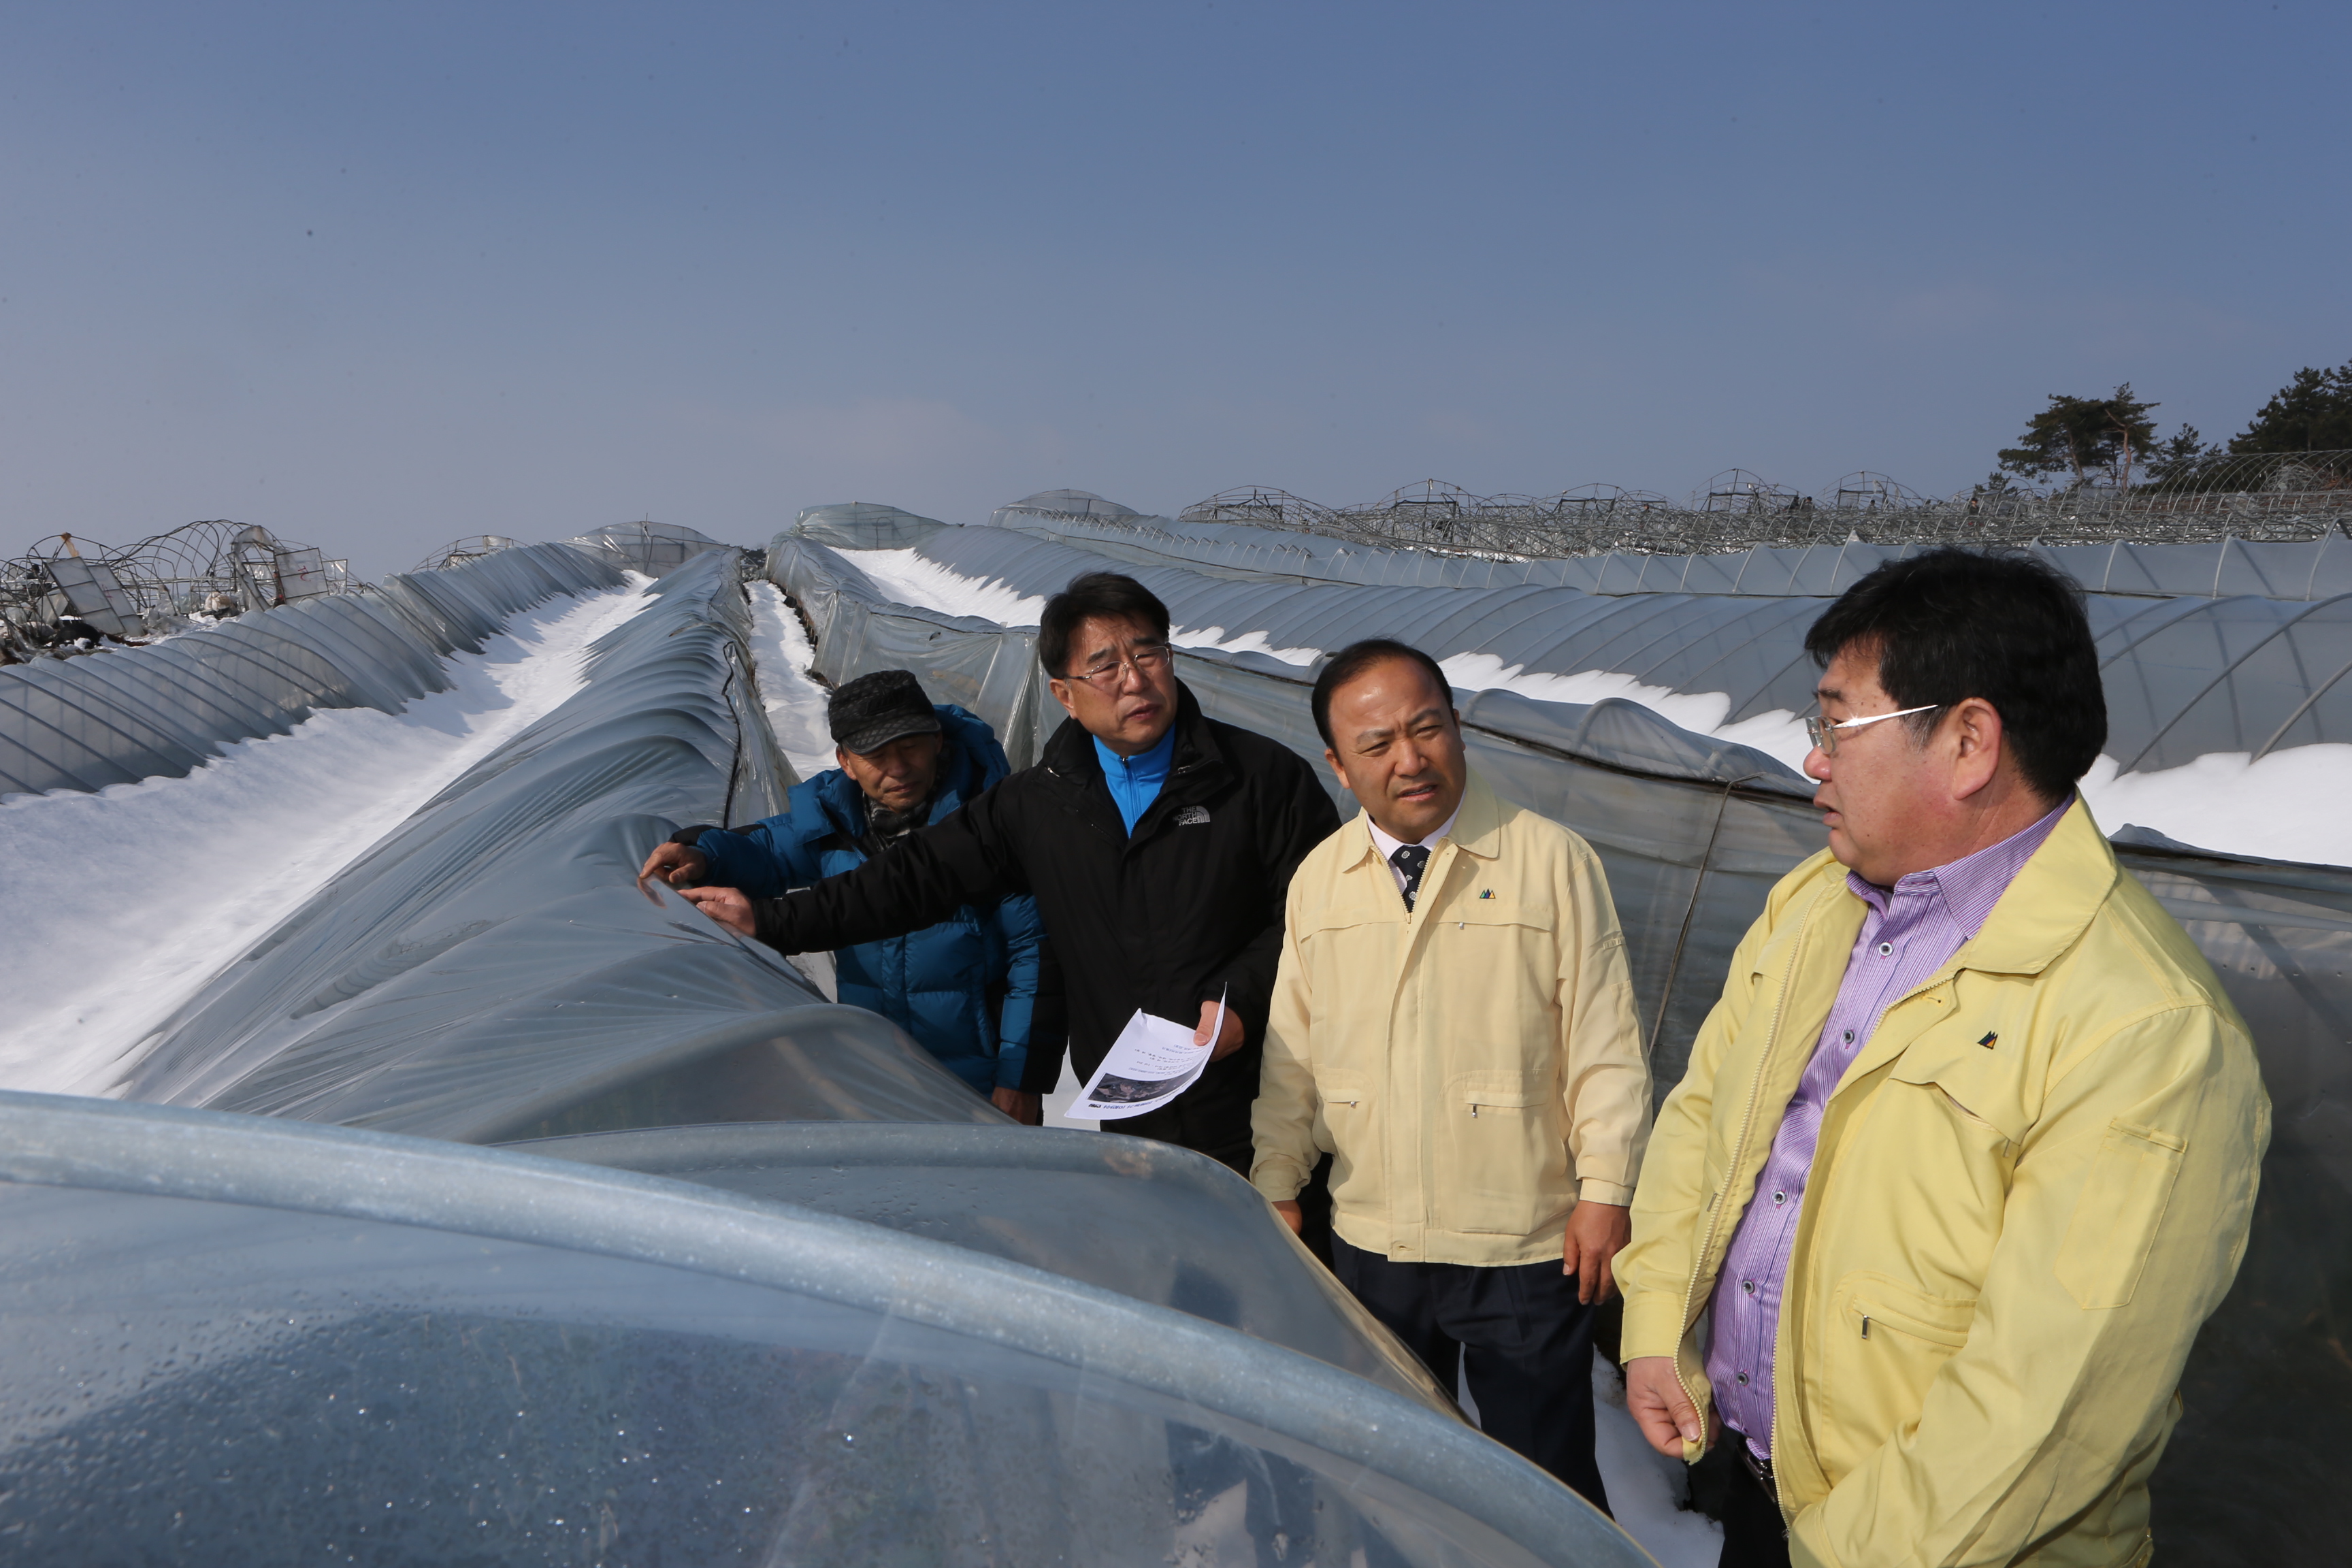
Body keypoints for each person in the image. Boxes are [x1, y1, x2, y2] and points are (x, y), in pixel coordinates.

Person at [1615, 549, 2271, 1568]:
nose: (1815, 762)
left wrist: (1832, 1554)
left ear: (1969, 743)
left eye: (1836, 725)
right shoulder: (1815, 905)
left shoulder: (2148, 1029)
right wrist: (1659, 1322)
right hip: (1761, 1488)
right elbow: (1708, 1118)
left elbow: (2046, 1409)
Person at [677, 572, 1338, 1173]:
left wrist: (1241, 999)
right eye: (1104, 666)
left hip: (1265, 1088)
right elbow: (908, 880)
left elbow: (1315, 914)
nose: (1135, 680)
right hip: (1134, 1107)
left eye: (1148, 655)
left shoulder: (1260, 778)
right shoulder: (1038, 804)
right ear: (1064, 695)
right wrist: (768, 919)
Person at [1250, 639, 1653, 1509]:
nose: (1410, 759)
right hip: (1375, 1235)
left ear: (1457, 726)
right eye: (1377, 744)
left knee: (1544, 1479)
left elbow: (1605, 1041)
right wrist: (1277, 1179)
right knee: (1399, 1471)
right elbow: (1293, 1051)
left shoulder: (1549, 861)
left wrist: (1607, 1188)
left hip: (1520, 1236)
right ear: (1339, 766)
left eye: (1427, 728)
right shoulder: (1322, 880)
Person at [639, 669, 1056, 1120]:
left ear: (937, 741)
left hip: (979, 1083)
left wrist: (1020, 1080)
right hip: (872, 1071)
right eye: (876, 755)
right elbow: (768, 850)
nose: (898, 769)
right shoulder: (836, 822)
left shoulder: (992, 827)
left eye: (910, 747)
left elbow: (1035, 956)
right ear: (846, 762)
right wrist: (703, 854)